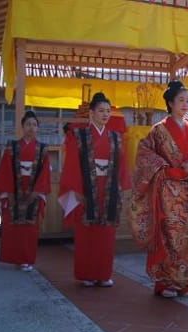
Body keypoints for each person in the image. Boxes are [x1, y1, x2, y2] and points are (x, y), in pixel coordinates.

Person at [130, 80, 188, 298]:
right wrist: (163, 168)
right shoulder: (158, 130)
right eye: (181, 100)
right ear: (170, 102)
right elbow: (144, 154)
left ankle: (186, 282)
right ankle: (165, 282)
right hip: (166, 192)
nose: (185, 104)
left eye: (187, 101)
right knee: (168, 235)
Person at [58, 92, 131, 287]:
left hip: (108, 190)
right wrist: (76, 190)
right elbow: (72, 164)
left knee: (106, 234)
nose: (105, 114)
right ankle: (86, 274)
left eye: (108, 111)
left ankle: (103, 273)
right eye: (101, 111)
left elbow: (122, 164)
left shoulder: (115, 137)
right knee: (86, 234)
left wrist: (120, 188)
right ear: (91, 113)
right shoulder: (79, 136)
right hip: (85, 188)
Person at [0, 110, 51, 271]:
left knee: (30, 228)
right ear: (22, 127)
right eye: (28, 124)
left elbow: (45, 172)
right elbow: (5, 169)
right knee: (13, 226)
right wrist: (9, 191)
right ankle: (15, 257)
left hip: (33, 190)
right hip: (14, 189)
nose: (31, 128)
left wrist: (37, 191)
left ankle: (27, 259)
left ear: (38, 128)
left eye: (34, 125)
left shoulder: (43, 149)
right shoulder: (12, 147)